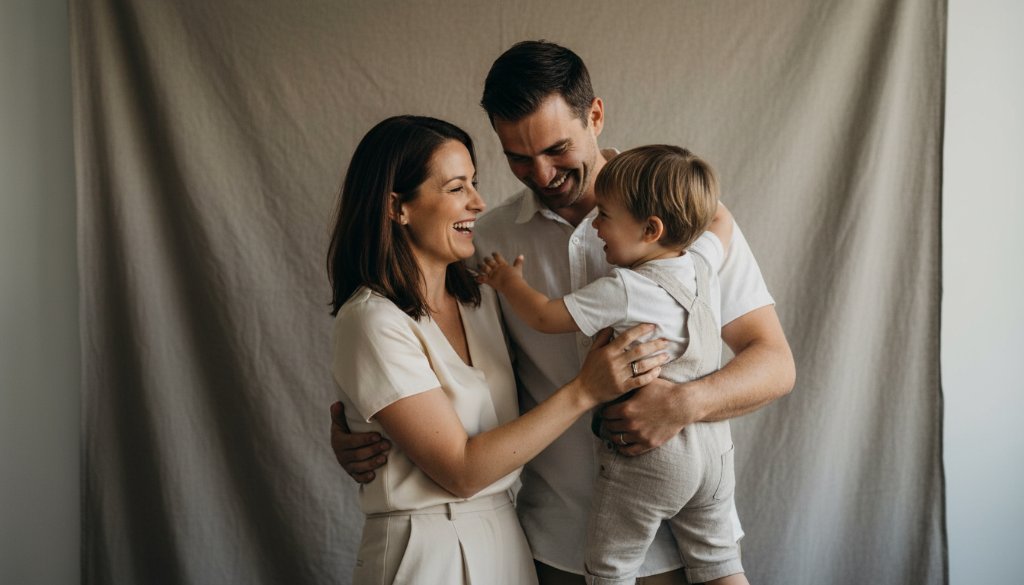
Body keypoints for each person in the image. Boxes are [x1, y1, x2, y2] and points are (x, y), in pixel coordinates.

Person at [331, 42, 796, 584]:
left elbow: (775, 364)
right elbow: (430, 358)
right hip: (550, 550)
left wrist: (682, 404)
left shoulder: (682, 220)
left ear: (595, 116)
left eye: (557, 149)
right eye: (518, 158)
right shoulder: (488, 242)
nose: (543, 173)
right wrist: (371, 434)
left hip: (681, 542)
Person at [327, 114, 668, 585]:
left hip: (508, 541)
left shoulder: (481, 297)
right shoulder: (372, 320)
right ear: (396, 207)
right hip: (425, 554)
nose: (478, 201)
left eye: (475, 182)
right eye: (455, 188)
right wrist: (586, 390)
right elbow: (461, 471)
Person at [478, 145, 749, 585]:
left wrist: (509, 282)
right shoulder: (702, 263)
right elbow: (721, 220)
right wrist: (686, 190)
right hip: (714, 453)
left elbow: (545, 315)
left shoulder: (624, 287)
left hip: (654, 462)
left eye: (604, 215)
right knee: (720, 563)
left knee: (610, 567)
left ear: (651, 228)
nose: (596, 224)